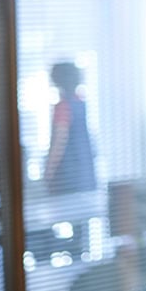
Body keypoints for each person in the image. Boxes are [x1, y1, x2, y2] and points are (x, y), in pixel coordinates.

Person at [44, 62, 97, 195]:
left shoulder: (63, 106)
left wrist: (49, 171)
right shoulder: (81, 103)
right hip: (85, 172)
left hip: (68, 175)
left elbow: (59, 142)